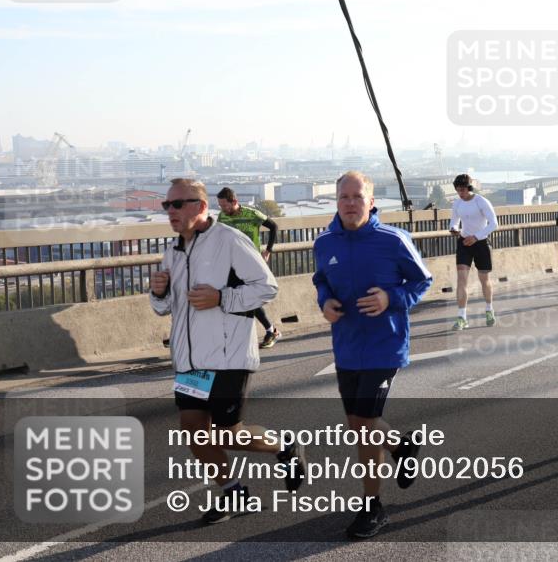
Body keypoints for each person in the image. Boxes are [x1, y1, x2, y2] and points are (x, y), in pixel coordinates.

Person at [150, 178, 305, 525]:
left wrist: (222, 297)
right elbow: (165, 309)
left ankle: (284, 449)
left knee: (225, 433)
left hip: (229, 356)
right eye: (167, 206)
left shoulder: (229, 240)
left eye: (178, 204)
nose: (170, 211)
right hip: (190, 360)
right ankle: (235, 492)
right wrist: (158, 293)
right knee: (192, 430)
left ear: (201, 206)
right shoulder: (172, 251)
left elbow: (267, 287)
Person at [312, 171, 433, 538]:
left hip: (384, 344)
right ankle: (401, 445)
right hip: (346, 346)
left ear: (371, 201)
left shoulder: (393, 240)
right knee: (359, 428)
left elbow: (422, 280)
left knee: (364, 423)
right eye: (344, 197)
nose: (350, 203)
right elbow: (320, 280)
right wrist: (325, 302)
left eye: (357, 196)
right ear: (336, 201)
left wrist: (390, 298)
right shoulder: (324, 242)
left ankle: (372, 507)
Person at [216, 187, 283, 348]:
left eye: (225, 205)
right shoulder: (222, 216)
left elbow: (273, 227)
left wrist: (268, 251)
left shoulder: (252, 214)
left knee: (246, 298)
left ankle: (269, 331)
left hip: (250, 264)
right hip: (231, 264)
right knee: (231, 298)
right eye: (220, 206)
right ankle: (268, 330)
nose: (222, 209)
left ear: (235, 202)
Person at [449, 174, 499, 330]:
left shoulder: (481, 202)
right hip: (464, 243)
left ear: (469, 188)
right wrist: (454, 229)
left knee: (484, 280)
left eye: (463, 190)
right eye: (458, 190)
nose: (460, 193)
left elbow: (494, 224)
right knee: (461, 280)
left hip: (481, 243)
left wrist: (476, 237)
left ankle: (489, 309)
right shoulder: (457, 203)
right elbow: (454, 221)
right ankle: (462, 317)